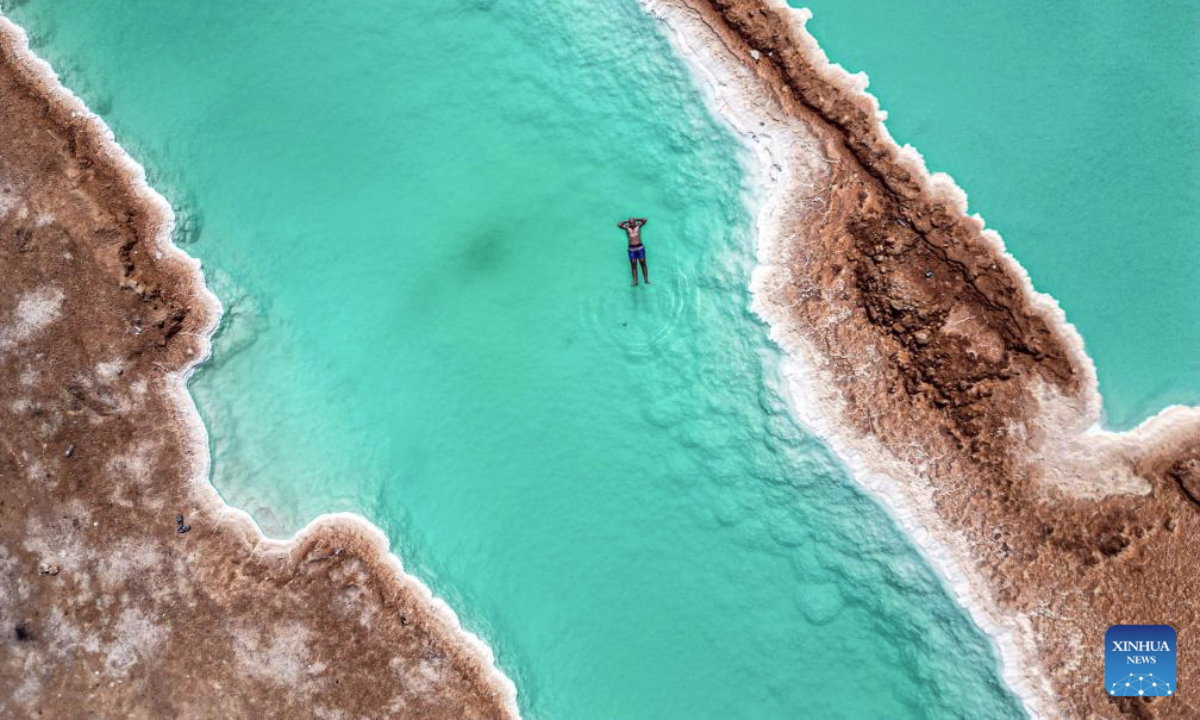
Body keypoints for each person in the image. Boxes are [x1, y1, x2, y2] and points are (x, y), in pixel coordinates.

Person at [618, 217, 650, 286]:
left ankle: (646, 279)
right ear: (629, 223)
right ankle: (635, 281)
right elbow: (619, 224)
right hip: (631, 249)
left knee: (642, 262)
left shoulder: (638, 226)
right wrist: (626, 220)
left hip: (640, 247)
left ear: (635, 222)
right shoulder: (627, 228)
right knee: (633, 264)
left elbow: (645, 220)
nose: (632, 224)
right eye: (630, 223)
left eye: (633, 222)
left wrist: (636, 219)